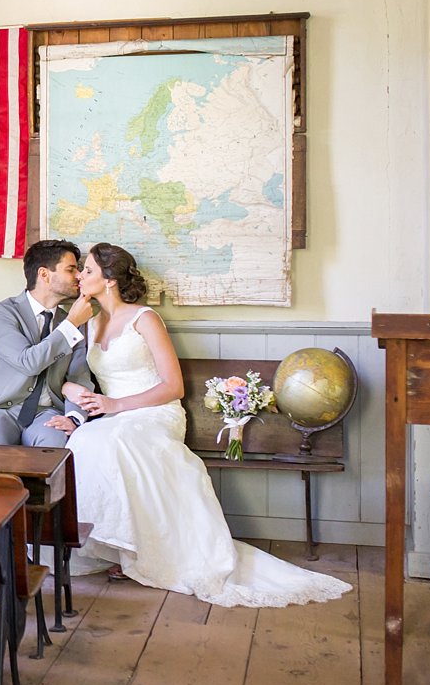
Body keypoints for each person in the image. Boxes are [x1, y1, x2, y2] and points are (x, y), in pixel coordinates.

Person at [61, 242, 350, 607]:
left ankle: (141, 552)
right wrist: (77, 394)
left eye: (87, 270)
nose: (80, 276)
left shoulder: (144, 318)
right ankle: (114, 549)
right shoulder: (91, 319)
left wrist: (116, 404)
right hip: (113, 414)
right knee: (84, 441)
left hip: (154, 412)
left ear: (111, 280)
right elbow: (74, 377)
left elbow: (173, 387)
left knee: (117, 440)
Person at [0, 239, 97, 446]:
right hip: (1, 410)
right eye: (71, 269)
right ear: (44, 275)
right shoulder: (1, 313)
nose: (78, 275)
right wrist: (71, 323)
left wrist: (74, 418)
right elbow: (27, 362)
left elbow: (79, 378)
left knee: (55, 447)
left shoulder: (72, 322)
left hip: (48, 413)